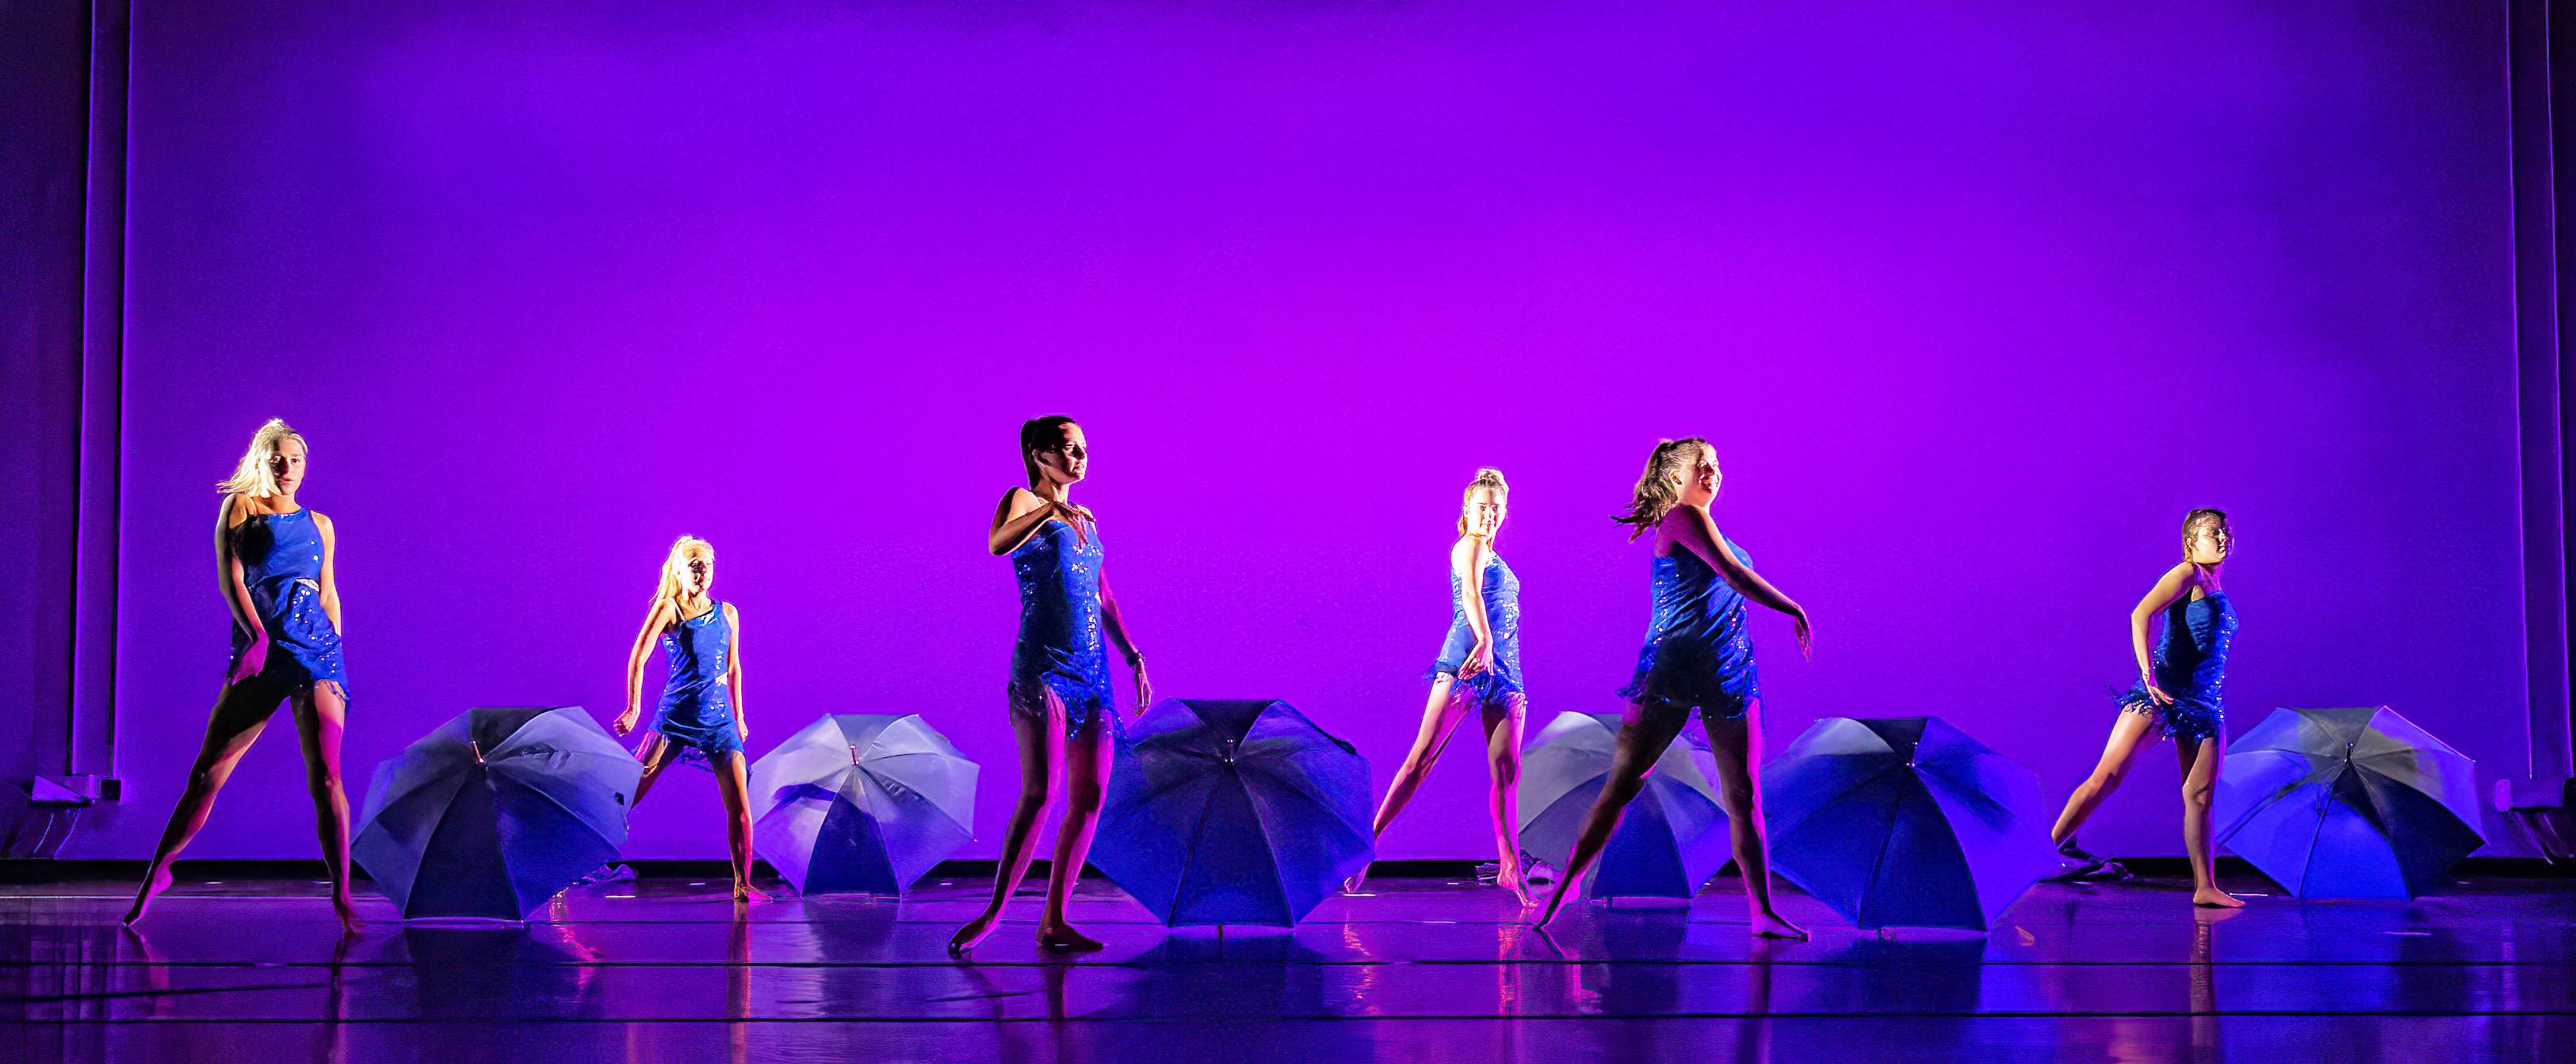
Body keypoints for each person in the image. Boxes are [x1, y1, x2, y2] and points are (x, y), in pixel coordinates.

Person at [1533, 438, 1813, 939]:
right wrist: (1792, 606)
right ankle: (1567, 886)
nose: (1711, 472)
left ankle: (1762, 912)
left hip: (1727, 669)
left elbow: (1729, 579)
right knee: (1625, 783)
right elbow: (1734, 574)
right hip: (1673, 668)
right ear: (1675, 477)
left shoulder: (1709, 524)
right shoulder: (1684, 517)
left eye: (1716, 465)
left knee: (1743, 794)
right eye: (1700, 466)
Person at [125, 419, 361, 931]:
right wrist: (256, 637)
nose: (287, 468)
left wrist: (335, 646)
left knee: (328, 776)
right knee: (208, 773)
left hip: (318, 653)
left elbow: (328, 591)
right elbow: (230, 576)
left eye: (295, 460)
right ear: (262, 461)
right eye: (278, 459)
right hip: (264, 648)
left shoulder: (320, 524)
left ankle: (342, 893)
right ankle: (159, 871)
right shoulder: (242, 508)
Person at [950, 416, 1152, 954]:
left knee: (1091, 795)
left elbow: (1103, 594)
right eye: (1067, 448)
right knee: (1041, 792)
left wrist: (1133, 656)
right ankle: (994, 913)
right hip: (1043, 667)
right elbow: (997, 544)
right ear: (1039, 454)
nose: (1079, 456)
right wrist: (1049, 509)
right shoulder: (1023, 500)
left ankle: (1054, 920)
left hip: (1093, 672)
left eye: (1083, 447)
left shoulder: (1087, 517)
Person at [1350, 467, 1535, 906]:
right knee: (1421, 760)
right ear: (1467, 510)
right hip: (1468, 659)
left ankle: (1509, 867)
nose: (1489, 515)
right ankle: (1364, 851)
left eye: (1496, 508)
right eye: (1481, 507)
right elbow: (1470, 594)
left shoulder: (1495, 554)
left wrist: (1497, 650)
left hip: (1504, 667)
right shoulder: (1469, 545)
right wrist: (1484, 641)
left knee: (1507, 771)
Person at [2048, 509, 2242, 908]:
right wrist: (2148, 675)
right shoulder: (2188, 573)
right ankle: (2040, 854)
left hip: (2203, 703)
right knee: (2107, 777)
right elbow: (2141, 613)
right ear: (2191, 542)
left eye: (2226, 531)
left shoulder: (2215, 585)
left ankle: (2205, 887)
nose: (2223, 538)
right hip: (2162, 694)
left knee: (2200, 795)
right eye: (2213, 532)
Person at [613, 536, 762, 902]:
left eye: (707, 565)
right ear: (680, 571)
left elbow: (733, 667)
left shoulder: (728, 613)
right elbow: (638, 656)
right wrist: (633, 707)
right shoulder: (669, 609)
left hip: (719, 721)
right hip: (676, 716)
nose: (702, 571)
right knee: (626, 794)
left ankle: (743, 884)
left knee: (741, 806)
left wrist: (740, 716)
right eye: (694, 566)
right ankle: (570, 860)